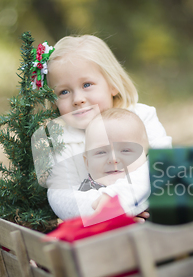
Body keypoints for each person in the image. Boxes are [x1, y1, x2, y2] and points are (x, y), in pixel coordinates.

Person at [42, 35, 171, 221]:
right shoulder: (62, 140)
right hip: (101, 228)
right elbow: (61, 195)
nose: (77, 99)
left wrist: (120, 202)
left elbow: (162, 165)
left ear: (112, 85)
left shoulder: (141, 116)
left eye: (87, 85)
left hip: (155, 211)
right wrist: (108, 214)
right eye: (64, 92)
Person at [71, 108, 150, 222]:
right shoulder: (82, 193)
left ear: (145, 155)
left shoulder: (151, 183)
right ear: (87, 162)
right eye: (101, 152)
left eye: (125, 150)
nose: (113, 159)